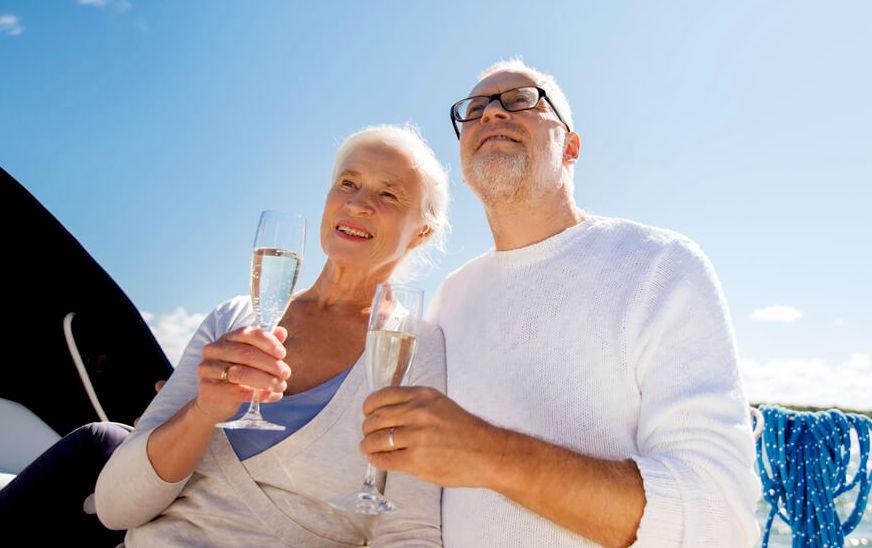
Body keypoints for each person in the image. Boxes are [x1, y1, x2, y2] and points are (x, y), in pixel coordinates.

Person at [360, 60, 761, 547]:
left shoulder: (661, 265)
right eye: (475, 109)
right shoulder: (450, 297)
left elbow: (720, 520)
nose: (490, 114)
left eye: (520, 100)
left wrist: (491, 454)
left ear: (570, 147)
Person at [91, 124, 450, 546]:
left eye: (388, 194)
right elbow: (115, 507)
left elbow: (409, 531)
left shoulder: (413, 348)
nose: (357, 204)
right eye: (347, 183)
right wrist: (204, 411)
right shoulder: (233, 318)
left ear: (421, 232)